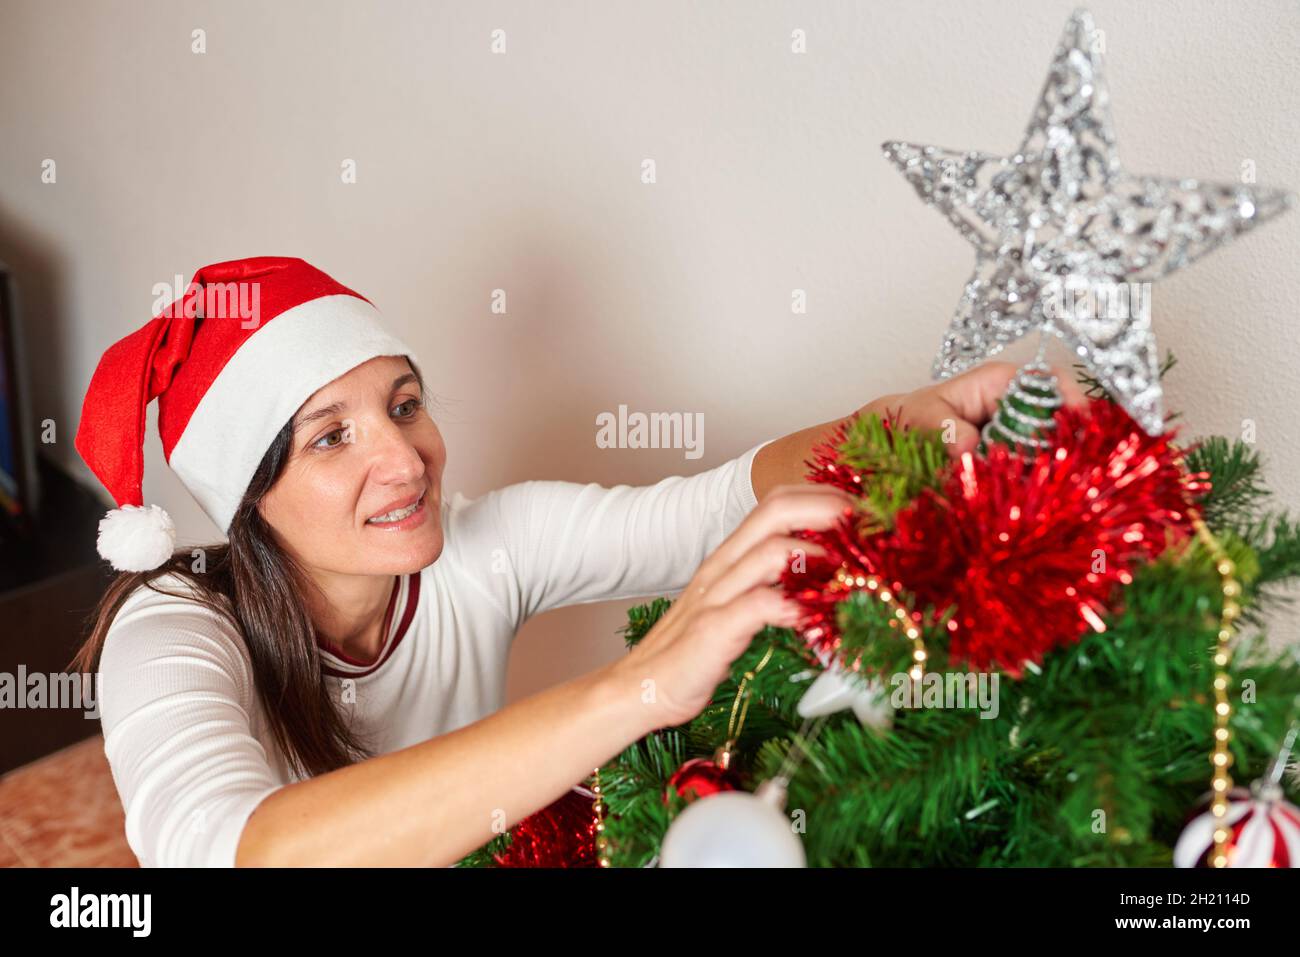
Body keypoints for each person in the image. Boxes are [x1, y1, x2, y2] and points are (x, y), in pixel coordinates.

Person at [70, 256, 1083, 867]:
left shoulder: (482, 546)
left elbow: (711, 508)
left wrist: (874, 434)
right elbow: (238, 852)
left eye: (404, 404)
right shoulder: (168, 629)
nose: (403, 458)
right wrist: (638, 687)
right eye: (331, 437)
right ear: (249, 496)